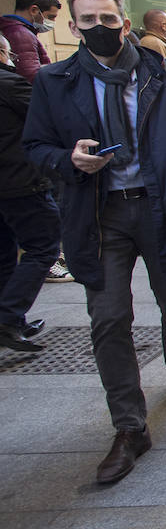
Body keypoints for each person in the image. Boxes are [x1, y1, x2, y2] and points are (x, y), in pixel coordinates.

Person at [22, 0, 166, 484]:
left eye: (108, 21)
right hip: (98, 214)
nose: (100, 29)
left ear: (125, 24)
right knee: (108, 319)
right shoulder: (53, 81)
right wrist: (68, 160)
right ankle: (129, 426)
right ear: (73, 28)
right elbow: (35, 145)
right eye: (89, 22)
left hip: (157, 207)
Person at [0, 32, 60, 350]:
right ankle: (8, 318)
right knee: (43, 247)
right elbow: (48, 117)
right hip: (21, 181)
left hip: (9, 183)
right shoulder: (10, 84)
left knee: (5, 254)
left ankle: (11, 319)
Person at [0, 0, 62, 82]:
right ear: (34, 10)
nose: (53, 22)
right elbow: (30, 76)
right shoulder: (22, 34)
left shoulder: (10, 28)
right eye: (50, 17)